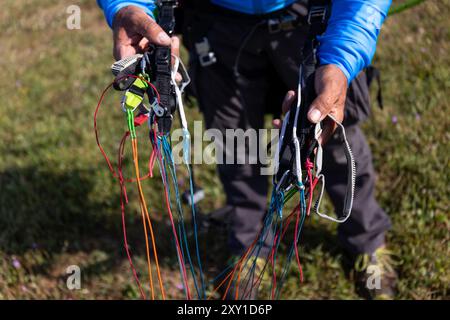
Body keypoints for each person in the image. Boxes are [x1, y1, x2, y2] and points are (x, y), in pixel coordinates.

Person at [97, 0, 397, 299]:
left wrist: (342, 56)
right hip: (216, 24)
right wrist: (126, 5)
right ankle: (249, 246)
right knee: (235, 143)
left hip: (309, 18)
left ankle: (366, 241)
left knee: (325, 134)